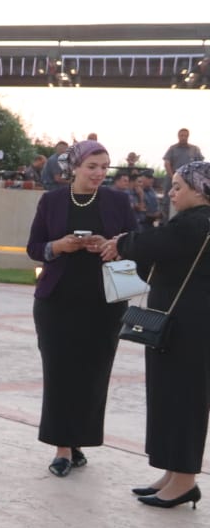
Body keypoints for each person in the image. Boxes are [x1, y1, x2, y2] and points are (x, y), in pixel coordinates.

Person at [25, 140, 135, 478]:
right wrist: (58, 246)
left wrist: (112, 246)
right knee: (59, 374)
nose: (99, 173)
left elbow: (136, 244)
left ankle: (78, 442)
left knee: (92, 376)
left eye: (104, 167)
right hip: (56, 302)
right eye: (92, 167)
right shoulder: (52, 200)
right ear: (74, 168)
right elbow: (34, 248)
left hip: (105, 304)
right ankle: (62, 448)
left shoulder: (118, 201)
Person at [106, 161, 210, 509]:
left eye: (179, 186)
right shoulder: (191, 222)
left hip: (190, 329)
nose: (172, 193)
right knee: (169, 396)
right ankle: (172, 474)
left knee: (184, 400)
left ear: (201, 190)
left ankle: (184, 481)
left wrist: (122, 243)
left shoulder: (198, 222)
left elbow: (153, 242)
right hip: (178, 326)